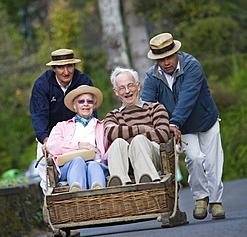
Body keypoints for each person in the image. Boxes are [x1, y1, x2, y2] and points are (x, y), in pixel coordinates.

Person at [141, 32, 225, 220]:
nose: (166, 62)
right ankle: (201, 199)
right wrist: (160, 126)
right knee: (194, 158)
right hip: (179, 126)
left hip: (205, 119)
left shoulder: (192, 65)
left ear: (176, 52)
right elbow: (147, 105)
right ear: (156, 60)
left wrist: (173, 122)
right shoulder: (152, 76)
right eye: (161, 59)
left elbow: (187, 98)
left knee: (213, 162)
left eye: (169, 57)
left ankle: (216, 202)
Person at [30, 48, 95, 194]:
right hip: (50, 134)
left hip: (78, 132)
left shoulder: (83, 81)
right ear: (53, 68)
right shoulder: (42, 84)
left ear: (74, 66)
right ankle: (52, 206)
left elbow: (91, 109)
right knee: (46, 174)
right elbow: (38, 115)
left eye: (69, 66)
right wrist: (46, 140)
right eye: (60, 67)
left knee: (87, 165)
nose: (66, 72)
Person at [104, 67, 170, 187]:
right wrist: (141, 129)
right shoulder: (113, 115)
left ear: (138, 86)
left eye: (131, 85)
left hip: (152, 159)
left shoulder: (155, 108)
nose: (127, 91)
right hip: (126, 163)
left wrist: (131, 138)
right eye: (121, 88)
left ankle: (148, 182)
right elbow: (110, 134)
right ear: (116, 91)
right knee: (118, 142)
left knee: (138, 141)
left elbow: (163, 134)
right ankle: (119, 184)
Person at [46, 85, 109, 191]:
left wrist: (98, 152)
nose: (86, 104)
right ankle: (78, 193)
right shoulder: (62, 126)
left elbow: (110, 149)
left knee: (93, 165)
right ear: (75, 106)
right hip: (70, 165)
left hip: (96, 163)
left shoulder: (103, 126)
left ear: (94, 106)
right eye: (81, 102)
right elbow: (52, 145)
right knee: (78, 161)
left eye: (89, 102)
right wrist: (78, 146)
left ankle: (98, 193)